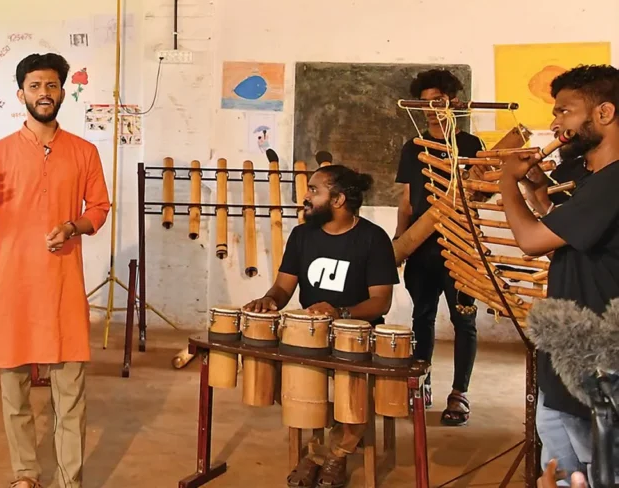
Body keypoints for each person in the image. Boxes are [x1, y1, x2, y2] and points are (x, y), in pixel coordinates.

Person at [0, 53, 111, 488]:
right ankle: (25, 475)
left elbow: (100, 208)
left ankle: (70, 479)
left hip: (63, 287)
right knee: (15, 394)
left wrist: (73, 226)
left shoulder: (84, 152)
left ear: (62, 92)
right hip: (12, 288)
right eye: (34, 86)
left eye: (51, 86)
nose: (43, 94)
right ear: (20, 94)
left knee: (70, 394)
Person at [499, 64, 619, 487]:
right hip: (569, 363)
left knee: (593, 475)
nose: (556, 124)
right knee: (563, 471)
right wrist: (534, 190)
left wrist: (506, 184)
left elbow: (532, 241)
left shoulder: (613, 182)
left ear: (604, 113)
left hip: (598, 369)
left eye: (566, 112)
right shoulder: (591, 179)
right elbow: (569, 236)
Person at [243, 165, 398, 488]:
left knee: (355, 393)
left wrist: (340, 312)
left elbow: (380, 301)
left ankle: (331, 456)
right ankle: (321, 451)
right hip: (309, 336)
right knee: (279, 382)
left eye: (315, 190)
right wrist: (268, 300)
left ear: (339, 199)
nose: (306, 196)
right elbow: (283, 288)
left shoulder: (373, 238)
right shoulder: (302, 235)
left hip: (357, 337)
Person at [394, 68, 485, 425]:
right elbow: (406, 201)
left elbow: (484, 194)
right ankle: (422, 382)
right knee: (422, 316)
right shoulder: (412, 146)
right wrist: (400, 244)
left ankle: (459, 394)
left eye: (439, 102)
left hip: (461, 246)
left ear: (453, 104)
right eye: (425, 103)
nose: (431, 110)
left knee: (464, 321)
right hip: (421, 248)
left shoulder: (472, 145)